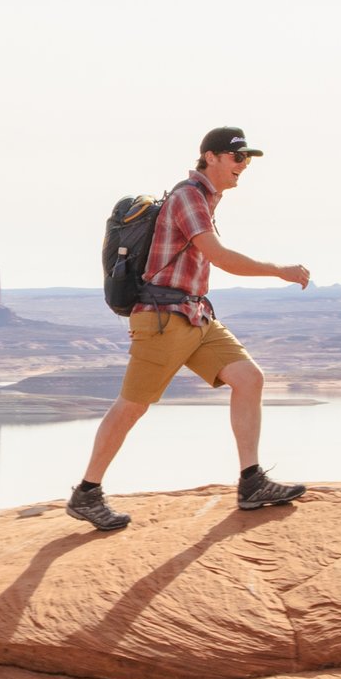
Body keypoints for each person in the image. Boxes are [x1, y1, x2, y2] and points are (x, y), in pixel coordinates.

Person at [67, 127, 310, 532]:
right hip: (163, 319)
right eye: (237, 158)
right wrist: (278, 270)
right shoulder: (189, 197)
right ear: (210, 157)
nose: (243, 166)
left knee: (248, 378)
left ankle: (252, 482)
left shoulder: (206, 199)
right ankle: (86, 494)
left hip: (194, 316)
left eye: (247, 159)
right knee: (132, 406)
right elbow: (219, 256)